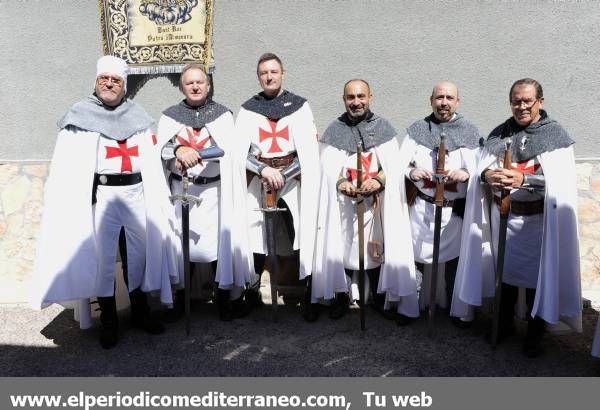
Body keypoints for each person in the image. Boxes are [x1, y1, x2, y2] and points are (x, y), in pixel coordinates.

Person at [30, 56, 180, 349]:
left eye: (116, 81)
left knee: (139, 256)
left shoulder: (137, 116)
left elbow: (154, 152)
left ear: (124, 86)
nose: (110, 84)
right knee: (102, 261)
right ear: (96, 82)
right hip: (103, 198)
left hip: (137, 195)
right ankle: (109, 322)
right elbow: (68, 167)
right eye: (105, 79)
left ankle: (140, 313)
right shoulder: (80, 116)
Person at [452, 78, 581, 357]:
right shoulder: (500, 134)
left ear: (540, 102)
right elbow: (481, 169)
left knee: (538, 279)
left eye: (527, 101)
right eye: (516, 101)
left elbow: (561, 183)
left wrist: (524, 178)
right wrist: (488, 175)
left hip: (538, 224)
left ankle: (535, 333)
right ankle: (504, 323)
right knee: (504, 276)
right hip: (504, 219)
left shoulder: (555, 136)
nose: (521, 107)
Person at [312, 79, 419, 322]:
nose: (356, 102)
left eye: (361, 96)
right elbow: (327, 169)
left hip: (375, 206)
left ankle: (380, 297)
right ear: (344, 100)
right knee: (341, 249)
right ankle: (341, 296)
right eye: (351, 97)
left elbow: (392, 166)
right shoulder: (334, 130)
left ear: (370, 97)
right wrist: (340, 183)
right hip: (343, 207)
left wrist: (380, 180)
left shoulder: (383, 129)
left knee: (377, 250)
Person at [157, 64, 254, 321]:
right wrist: (178, 151)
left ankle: (223, 299)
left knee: (219, 246)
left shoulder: (222, 116)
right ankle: (180, 300)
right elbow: (160, 150)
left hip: (215, 193)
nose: (196, 87)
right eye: (190, 83)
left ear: (208, 86)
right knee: (181, 248)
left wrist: (196, 153)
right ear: (182, 87)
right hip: (182, 191)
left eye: (200, 82)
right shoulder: (170, 117)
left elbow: (229, 150)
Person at [235, 53, 320, 319]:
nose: (269, 77)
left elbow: (307, 149)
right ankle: (251, 290)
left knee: (303, 230)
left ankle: (310, 292)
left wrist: (284, 174)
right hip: (260, 178)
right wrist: (264, 169)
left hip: (293, 178)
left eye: (273, 72)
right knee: (252, 233)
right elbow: (240, 151)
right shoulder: (248, 109)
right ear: (258, 77)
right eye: (263, 73)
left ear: (283, 73)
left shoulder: (299, 106)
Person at [401, 81, 480, 326]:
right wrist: (411, 172)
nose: (443, 102)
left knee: (457, 260)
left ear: (457, 101)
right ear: (431, 100)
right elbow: (399, 165)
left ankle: (457, 310)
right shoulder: (417, 130)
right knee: (415, 258)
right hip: (421, 209)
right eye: (439, 97)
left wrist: (468, 173)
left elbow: (481, 168)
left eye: (449, 97)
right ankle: (410, 306)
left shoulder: (470, 131)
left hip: (454, 213)